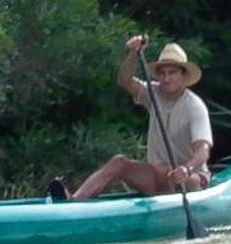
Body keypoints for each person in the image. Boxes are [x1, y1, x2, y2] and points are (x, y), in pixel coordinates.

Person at [67, 35, 212, 200]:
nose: (166, 78)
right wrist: (135, 54)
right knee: (119, 162)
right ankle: (75, 200)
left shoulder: (195, 107)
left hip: (189, 178)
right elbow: (124, 80)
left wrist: (187, 169)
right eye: (163, 73)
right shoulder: (153, 92)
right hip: (157, 174)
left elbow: (203, 151)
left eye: (172, 73)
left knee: (176, 175)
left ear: (183, 76)